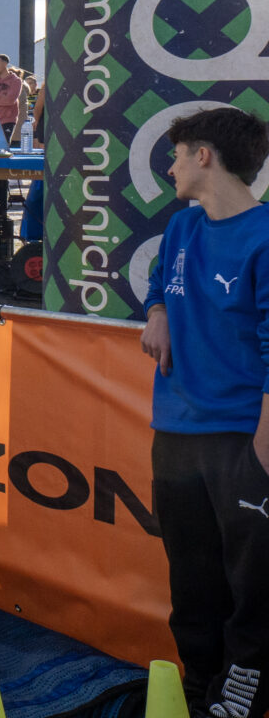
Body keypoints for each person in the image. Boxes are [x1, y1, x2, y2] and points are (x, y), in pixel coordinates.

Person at [139, 106, 269, 718]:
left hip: (242, 439)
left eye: (176, 154)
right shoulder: (183, 226)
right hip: (175, 433)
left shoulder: (264, 237)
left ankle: (240, 698)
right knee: (191, 577)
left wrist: (262, 450)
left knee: (253, 585)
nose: (170, 168)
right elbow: (160, 282)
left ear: (204, 156)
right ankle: (197, 691)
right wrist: (158, 312)